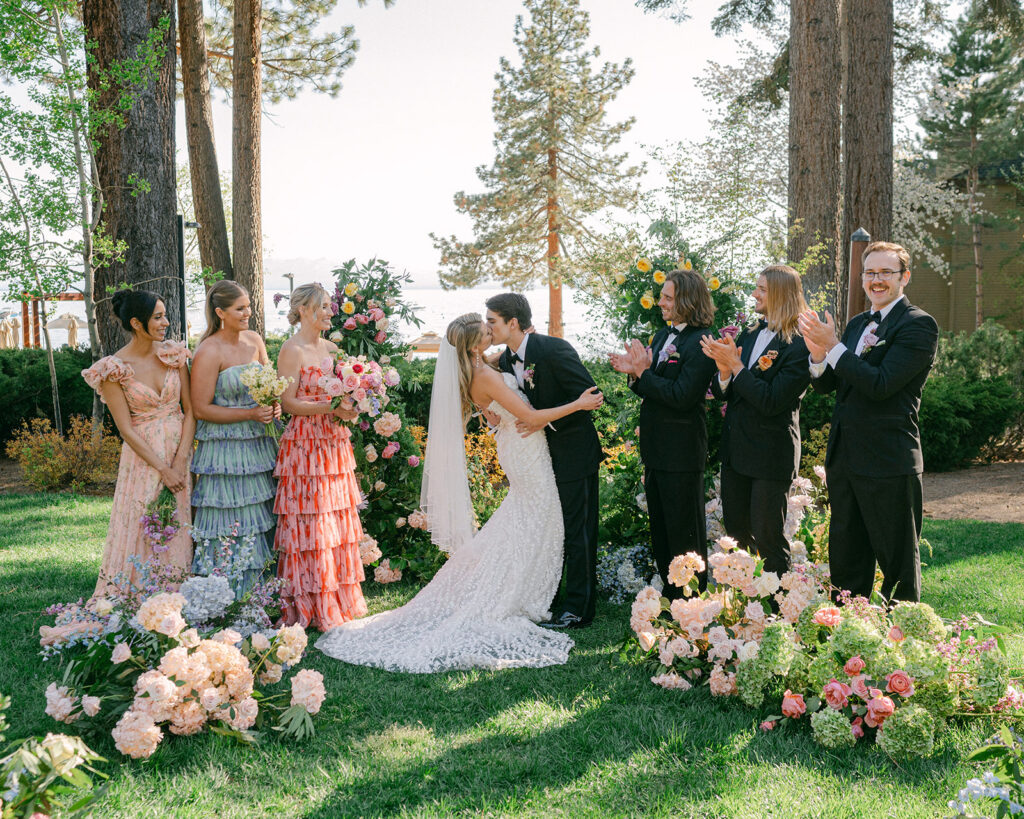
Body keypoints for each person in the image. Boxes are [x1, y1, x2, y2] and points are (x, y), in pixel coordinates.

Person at [315, 313, 603, 672]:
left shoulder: (478, 368)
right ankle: (515, 592)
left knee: (526, 516)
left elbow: (495, 412)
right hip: (527, 449)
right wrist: (578, 404)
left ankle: (518, 583)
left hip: (519, 448)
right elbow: (529, 417)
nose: (491, 333)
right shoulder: (482, 374)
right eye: (486, 332)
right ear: (475, 344)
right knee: (538, 515)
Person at [797, 241, 939, 602]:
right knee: (846, 560)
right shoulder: (858, 324)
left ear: (904, 277)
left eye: (886, 273)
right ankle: (848, 640)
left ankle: (903, 644)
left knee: (898, 564)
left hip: (889, 459)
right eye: (870, 273)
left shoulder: (919, 325)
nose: (877, 280)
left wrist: (834, 347)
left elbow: (880, 385)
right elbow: (831, 383)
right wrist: (817, 355)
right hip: (846, 458)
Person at [488, 294, 605, 629]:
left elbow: (593, 396)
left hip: (573, 453)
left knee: (578, 532)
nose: (488, 327)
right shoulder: (506, 361)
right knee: (551, 530)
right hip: (539, 460)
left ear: (512, 323)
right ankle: (546, 596)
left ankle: (579, 609)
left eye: (492, 321)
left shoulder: (554, 349)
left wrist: (545, 421)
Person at [610, 269, 717, 596]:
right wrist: (634, 374)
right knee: (662, 532)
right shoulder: (660, 337)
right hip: (656, 451)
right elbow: (652, 389)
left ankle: (693, 605)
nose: (661, 303)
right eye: (663, 296)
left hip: (682, 452)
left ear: (687, 300)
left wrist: (644, 374)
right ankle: (671, 606)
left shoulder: (702, 342)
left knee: (685, 536)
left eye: (668, 297)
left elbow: (683, 397)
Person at [81, 289, 194, 596]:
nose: (166, 323)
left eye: (164, 315)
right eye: (157, 317)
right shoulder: (113, 369)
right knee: (145, 520)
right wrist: (163, 469)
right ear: (136, 323)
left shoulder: (174, 355)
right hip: (145, 459)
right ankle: (144, 593)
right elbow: (126, 430)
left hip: (180, 449)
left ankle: (182, 591)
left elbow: (191, 410)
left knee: (180, 520)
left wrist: (181, 460)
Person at [701, 265, 810, 577]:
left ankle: (780, 610)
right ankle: (747, 606)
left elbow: (771, 400)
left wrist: (735, 366)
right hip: (736, 453)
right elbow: (725, 394)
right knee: (736, 533)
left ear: (780, 294)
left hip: (771, 456)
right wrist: (723, 370)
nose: (755, 294)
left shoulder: (799, 346)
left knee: (767, 536)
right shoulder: (748, 336)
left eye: (762, 289)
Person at [274, 283, 367, 631]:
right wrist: (331, 406)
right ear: (303, 310)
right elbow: (288, 403)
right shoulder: (291, 349)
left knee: (334, 522)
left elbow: (345, 390)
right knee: (310, 524)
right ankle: (309, 604)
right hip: (305, 443)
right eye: (324, 307)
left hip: (333, 442)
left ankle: (337, 598)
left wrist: (350, 406)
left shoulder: (331, 347)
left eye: (330, 306)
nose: (330, 312)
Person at [190, 280, 281, 598]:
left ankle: (262, 593)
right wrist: (249, 414)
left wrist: (274, 401)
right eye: (240, 308)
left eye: (248, 306)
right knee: (231, 520)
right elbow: (201, 408)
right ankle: (224, 596)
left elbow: (270, 382)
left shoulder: (255, 340)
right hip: (225, 453)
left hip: (258, 447)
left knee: (259, 517)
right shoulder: (208, 350)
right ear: (220, 313)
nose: (248, 312)